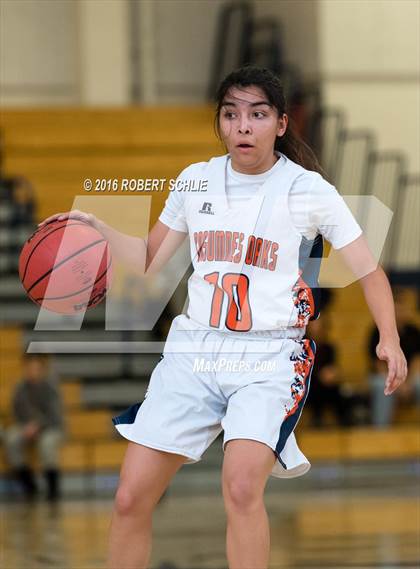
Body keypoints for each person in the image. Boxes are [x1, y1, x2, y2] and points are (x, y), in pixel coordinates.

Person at [39, 65, 407, 569]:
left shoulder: (307, 190)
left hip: (270, 355)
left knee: (239, 488)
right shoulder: (196, 181)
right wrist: (98, 226)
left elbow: (368, 269)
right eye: (231, 115)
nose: (243, 126)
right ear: (220, 123)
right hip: (195, 350)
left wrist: (389, 335)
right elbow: (149, 258)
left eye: (257, 114)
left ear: (280, 123)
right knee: (129, 498)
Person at [4, 353, 65, 502]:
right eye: (30, 368)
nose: (32, 371)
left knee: (47, 443)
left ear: (42, 370)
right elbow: (16, 412)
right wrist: (26, 427)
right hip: (26, 427)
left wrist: (37, 425)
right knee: (11, 438)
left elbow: (55, 416)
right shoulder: (20, 389)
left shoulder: (51, 388)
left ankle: (52, 487)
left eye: (36, 368)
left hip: (51, 427)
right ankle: (28, 484)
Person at [367, 288, 420, 427]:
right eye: (395, 311)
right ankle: (381, 431)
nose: (398, 314)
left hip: (408, 378)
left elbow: (416, 361)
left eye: (401, 310)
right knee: (381, 386)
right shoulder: (376, 331)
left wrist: (407, 382)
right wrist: (396, 384)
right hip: (385, 376)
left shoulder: (413, 331)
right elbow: (378, 364)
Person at [306, 315, 353, 428]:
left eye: (319, 325)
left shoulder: (329, 347)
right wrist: (319, 374)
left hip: (326, 384)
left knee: (338, 390)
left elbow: (333, 366)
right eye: (314, 325)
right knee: (316, 388)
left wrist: (333, 373)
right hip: (309, 384)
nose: (317, 328)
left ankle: (344, 423)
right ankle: (317, 419)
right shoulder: (304, 346)